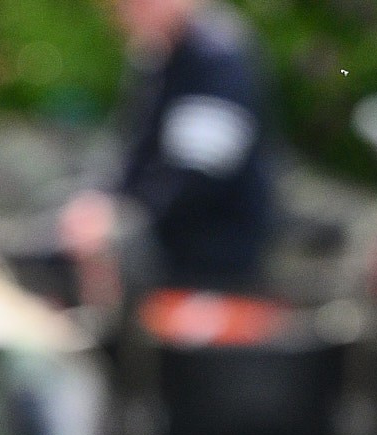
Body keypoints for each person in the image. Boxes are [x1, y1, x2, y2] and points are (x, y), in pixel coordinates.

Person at [60, 0, 275, 300]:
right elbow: (132, 150)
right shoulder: (158, 56)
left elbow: (198, 177)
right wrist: (99, 202)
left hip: (211, 263)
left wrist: (123, 219)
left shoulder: (216, 56)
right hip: (163, 247)